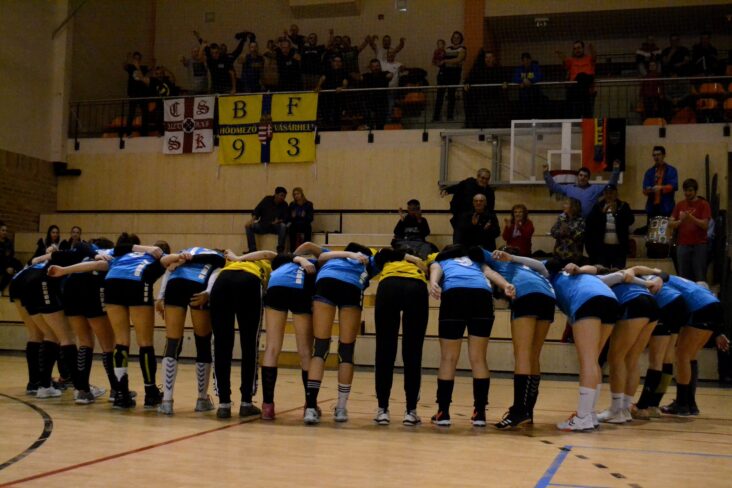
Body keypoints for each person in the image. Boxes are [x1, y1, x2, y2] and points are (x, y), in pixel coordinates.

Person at [428, 245, 515, 427]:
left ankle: (443, 412)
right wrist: (505, 285)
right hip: (482, 297)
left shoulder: (442, 259)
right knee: (478, 358)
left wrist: (433, 283)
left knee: (448, 358)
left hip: (455, 295)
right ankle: (480, 413)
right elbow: (490, 273)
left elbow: (435, 269)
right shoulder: (476, 261)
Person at [304, 243, 376, 425]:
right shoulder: (368, 260)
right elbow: (390, 255)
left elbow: (311, 248)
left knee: (320, 348)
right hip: (351, 287)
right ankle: (341, 408)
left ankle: (310, 408)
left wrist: (291, 256)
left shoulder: (332, 255)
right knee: (346, 350)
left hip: (326, 283)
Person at [546, 259, 619, 431]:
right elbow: (598, 269)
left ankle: (583, 417)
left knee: (587, 362)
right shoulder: (580, 274)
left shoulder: (550, 276)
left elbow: (534, 265)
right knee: (594, 361)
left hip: (587, 300)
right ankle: (590, 414)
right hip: (611, 300)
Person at [487, 250, 555, 429]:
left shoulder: (501, 262)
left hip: (526, 295)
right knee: (534, 355)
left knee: (522, 354)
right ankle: (527, 411)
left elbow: (474, 251)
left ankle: (518, 411)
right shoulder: (530, 266)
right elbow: (543, 266)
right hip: (548, 297)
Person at [155, 247, 225, 415]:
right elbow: (216, 273)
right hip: (198, 286)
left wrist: (160, 296)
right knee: (203, 341)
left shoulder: (188, 252)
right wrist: (208, 293)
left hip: (174, 285)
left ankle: (166, 402)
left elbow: (169, 269)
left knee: (172, 343)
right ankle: (202, 400)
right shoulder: (216, 257)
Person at [209, 249, 275, 419]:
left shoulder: (231, 262)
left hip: (221, 284)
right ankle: (246, 402)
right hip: (248, 283)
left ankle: (223, 404)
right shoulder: (264, 262)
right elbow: (269, 253)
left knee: (221, 345)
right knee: (249, 343)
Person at [261, 243, 323, 420]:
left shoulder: (281, 261)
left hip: (275, 287)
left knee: (272, 348)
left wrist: (237, 258)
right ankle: (310, 405)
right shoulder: (316, 264)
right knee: (305, 350)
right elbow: (312, 247)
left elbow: (264, 253)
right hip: (300, 288)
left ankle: (267, 407)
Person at [372, 248, 429, 426]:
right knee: (413, 350)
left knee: (384, 349)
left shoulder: (387, 257)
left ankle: (382, 410)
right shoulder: (426, 257)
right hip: (416, 287)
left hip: (388, 286)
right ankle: (411, 411)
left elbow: (380, 254)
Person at [542, 160, 621, 219]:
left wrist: (616, 170)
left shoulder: (595, 189)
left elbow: (611, 186)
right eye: (581, 175)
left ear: (588, 178)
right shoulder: (569, 188)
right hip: (573, 224)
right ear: (578, 177)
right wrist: (546, 173)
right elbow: (553, 187)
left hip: (591, 224)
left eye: (585, 176)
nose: (582, 178)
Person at [670, 178, 711, 282]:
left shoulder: (703, 204)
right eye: (685, 190)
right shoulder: (680, 205)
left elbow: (705, 225)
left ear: (695, 191)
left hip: (699, 245)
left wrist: (690, 217)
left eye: (690, 190)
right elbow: (670, 223)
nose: (687, 193)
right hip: (683, 245)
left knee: (700, 276)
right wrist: (680, 221)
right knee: (684, 278)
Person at [585, 184, 634, 269]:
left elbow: (630, 220)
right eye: (606, 193)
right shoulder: (598, 206)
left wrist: (616, 214)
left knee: (618, 272)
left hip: (619, 247)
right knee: (603, 272)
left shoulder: (623, 206)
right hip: (602, 248)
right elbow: (590, 223)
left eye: (611, 193)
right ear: (604, 194)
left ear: (616, 194)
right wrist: (602, 213)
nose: (609, 195)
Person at [441, 168, 494, 243]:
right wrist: (447, 190)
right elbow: (458, 187)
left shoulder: (489, 192)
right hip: (462, 220)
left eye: (487, 179)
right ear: (478, 177)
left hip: (478, 223)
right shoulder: (469, 183)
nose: (484, 181)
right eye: (482, 178)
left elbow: (490, 209)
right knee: (458, 244)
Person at [464, 49, 506, 129]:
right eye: (486, 57)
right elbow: (470, 79)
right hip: (482, 99)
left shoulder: (498, 69)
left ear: (494, 58)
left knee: (493, 118)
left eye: (490, 57)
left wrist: (504, 83)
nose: (488, 59)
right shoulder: (478, 69)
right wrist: (467, 83)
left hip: (494, 99)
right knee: (481, 117)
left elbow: (504, 80)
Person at [556, 40, 597, 118]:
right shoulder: (572, 60)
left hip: (586, 86)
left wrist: (592, 48)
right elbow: (565, 60)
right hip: (577, 90)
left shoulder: (589, 59)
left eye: (579, 48)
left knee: (581, 76)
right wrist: (559, 53)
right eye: (575, 48)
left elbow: (594, 57)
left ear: (583, 48)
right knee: (577, 113)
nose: (577, 50)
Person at [432, 31, 466, 122]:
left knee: (451, 94)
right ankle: (436, 117)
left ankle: (450, 116)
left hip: (454, 74)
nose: (456, 39)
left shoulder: (462, 49)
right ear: (452, 38)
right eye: (454, 37)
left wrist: (445, 61)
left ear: (461, 39)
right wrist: (437, 60)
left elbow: (458, 60)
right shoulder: (447, 49)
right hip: (444, 73)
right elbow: (439, 59)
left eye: (458, 37)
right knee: (440, 95)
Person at [245, 187, 289, 253]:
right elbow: (257, 210)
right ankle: (252, 249)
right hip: (263, 225)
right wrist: (251, 221)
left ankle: (280, 250)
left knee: (283, 226)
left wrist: (278, 221)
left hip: (275, 227)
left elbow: (286, 218)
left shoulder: (284, 204)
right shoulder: (267, 200)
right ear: (276, 194)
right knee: (249, 226)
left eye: (284, 196)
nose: (283, 198)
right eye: (281, 195)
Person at [642, 146, 678, 221]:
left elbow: (674, 186)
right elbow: (644, 189)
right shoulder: (649, 172)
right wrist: (650, 189)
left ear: (664, 155)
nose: (656, 157)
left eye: (658, 155)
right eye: (654, 155)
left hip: (666, 207)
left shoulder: (671, 170)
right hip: (652, 208)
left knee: (666, 228)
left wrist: (661, 188)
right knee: (651, 228)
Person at [315, 55, 349, 130]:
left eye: (339, 61)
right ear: (332, 62)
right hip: (326, 98)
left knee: (336, 117)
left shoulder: (344, 72)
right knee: (326, 116)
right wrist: (318, 86)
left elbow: (345, 83)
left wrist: (342, 87)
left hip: (337, 98)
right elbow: (322, 79)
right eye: (335, 61)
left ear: (341, 63)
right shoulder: (327, 70)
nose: (337, 63)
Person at [357, 59, 392, 130]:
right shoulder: (367, 76)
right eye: (373, 66)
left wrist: (390, 75)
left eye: (377, 66)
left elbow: (390, 75)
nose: (375, 68)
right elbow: (358, 77)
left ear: (380, 66)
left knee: (380, 125)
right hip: (370, 103)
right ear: (370, 68)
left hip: (382, 104)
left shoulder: (384, 74)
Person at [551, 198, 585, 264]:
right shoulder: (561, 218)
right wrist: (561, 232)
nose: (563, 206)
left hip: (574, 256)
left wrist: (569, 230)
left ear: (574, 206)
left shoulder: (581, 220)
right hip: (559, 255)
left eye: (566, 204)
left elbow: (580, 237)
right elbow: (553, 231)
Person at [123, 51, 150, 134]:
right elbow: (125, 66)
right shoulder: (131, 67)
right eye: (135, 58)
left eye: (138, 58)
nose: (137, 60)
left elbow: (149, 69)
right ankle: (128, 131)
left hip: (142, 93)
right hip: (133, 92)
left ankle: (144, 131)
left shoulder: (142, 68)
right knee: (131, 112)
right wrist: (127, 58)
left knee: (145, 112)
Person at [512, 52, 544, 119]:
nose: (526, 62)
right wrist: (522, 81)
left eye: (527, 60)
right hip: (524, 96)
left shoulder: (535, 67)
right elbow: (514, 78)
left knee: (535, 112)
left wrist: (530, 81)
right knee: (525, 113)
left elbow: (539, 76)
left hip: (535, 95)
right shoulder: (519, 69)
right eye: (524, 61)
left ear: (530, 60)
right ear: (522, 61)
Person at [288, 187, 314, 253]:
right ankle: (293, 250)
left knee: (308, 228)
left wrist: (303, 217)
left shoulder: (308, 204)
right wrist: (292, 217)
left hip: (305, 223)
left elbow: (311, 218)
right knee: (291, 228)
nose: (296, 196)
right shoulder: (292, 205)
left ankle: (306, 250)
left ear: (301, 194)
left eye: (298, 194)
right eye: (294, 194)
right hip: (295, 224)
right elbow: (289, 218)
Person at [0, 222, 22, 295]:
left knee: (18, 264)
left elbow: (11, 255)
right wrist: (6, 268)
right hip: (1, 264)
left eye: (6, 230)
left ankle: (18, 288)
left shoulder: (8, 242)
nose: (5, 232)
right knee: (8, 271)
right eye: (3, 230)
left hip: (8, 262)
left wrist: (10, 266)